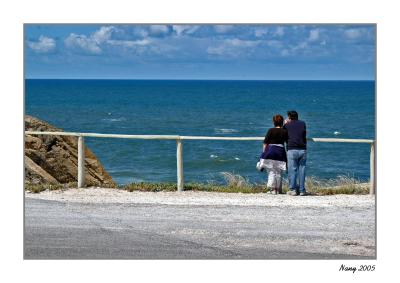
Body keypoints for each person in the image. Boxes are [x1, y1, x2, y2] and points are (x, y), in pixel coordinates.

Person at [258, 114, 288, 194]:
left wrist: (264, 153)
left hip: (271, 151)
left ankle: (272, 189)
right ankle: (278, 189)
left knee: (271, 171)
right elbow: (286, 140)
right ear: (282, 122)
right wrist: (285, 125)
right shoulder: (284, 131)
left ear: (273, 122)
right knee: (278, 171)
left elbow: (265, 143)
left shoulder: (270, 130)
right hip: (280, 151)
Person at [284, 110, 307, 196]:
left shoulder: (287, 125)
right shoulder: (303, 123)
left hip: (291, 149)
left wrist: (285, 123)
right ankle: (302, 190)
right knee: (302, 170)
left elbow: (283, 134)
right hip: (302, 149)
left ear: (289, 117)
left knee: (292, 170)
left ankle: (293, 189)